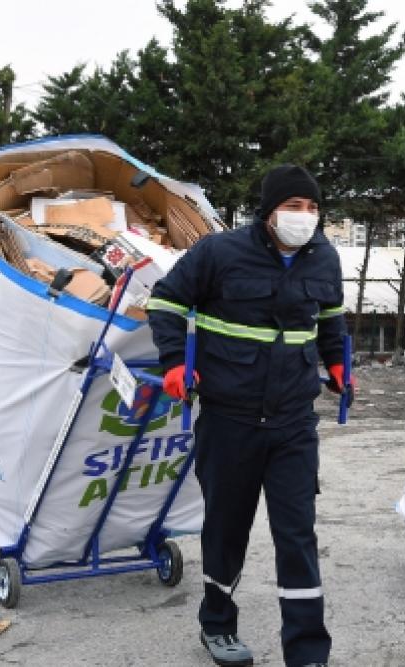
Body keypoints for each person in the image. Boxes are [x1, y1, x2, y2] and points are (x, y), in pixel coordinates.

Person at [147, 165, 351, 667]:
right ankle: (217, 625)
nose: (305, 217)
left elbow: (329, 318)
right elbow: (165, 302)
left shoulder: (323, 258)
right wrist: (174, 363)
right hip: (229, 420)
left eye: (313, 208)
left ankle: (307, 652)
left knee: (298, 535)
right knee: (225, 530)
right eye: (294, 207)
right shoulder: (219, 253)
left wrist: (341, 361)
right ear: (268, 212)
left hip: (293, 423)